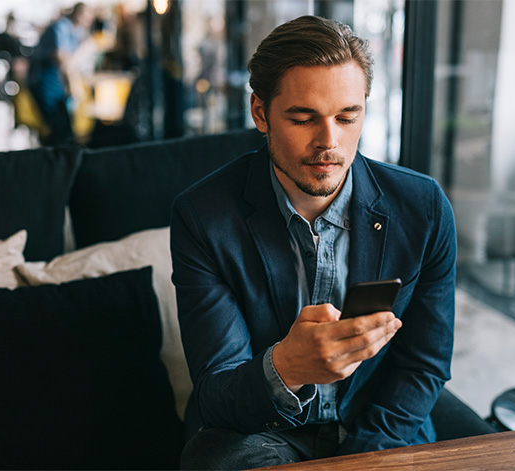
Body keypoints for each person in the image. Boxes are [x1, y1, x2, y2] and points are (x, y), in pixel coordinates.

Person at [170, 15, 456, 470]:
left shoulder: (422, 208)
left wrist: (362, 459)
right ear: (260, 113)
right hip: (259, 432)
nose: (330, 142)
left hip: (382, 428)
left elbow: (424, 365)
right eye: (303, 118)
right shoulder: (203, 217)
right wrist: (287, 367)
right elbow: (218, 392)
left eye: (348, 117)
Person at [27, 2, 94, 145]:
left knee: (64, 126)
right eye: (87, 16)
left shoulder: (78, 31)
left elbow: (70, 65)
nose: (90, 20)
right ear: (78, 14)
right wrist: (84, 49)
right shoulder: (60, 27)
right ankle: (51, 160)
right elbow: (63, 60)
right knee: (55, 124)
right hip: (44, 81)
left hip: (58, 82)